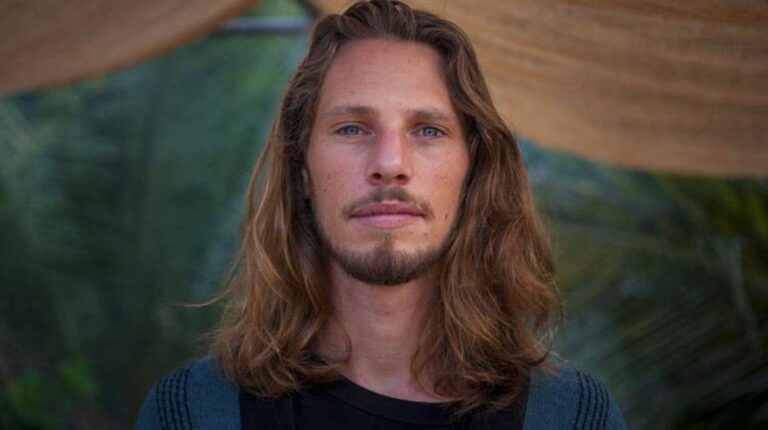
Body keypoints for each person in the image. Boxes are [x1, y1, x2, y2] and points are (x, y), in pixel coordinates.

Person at [136, 0, 627, 428]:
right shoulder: (192, 414)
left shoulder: (572, 417)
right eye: (352, 128)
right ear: (302, 169)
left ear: (473, 170)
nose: (390, 163)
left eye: (428, 130)